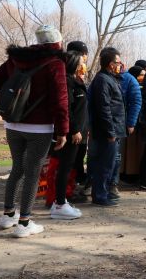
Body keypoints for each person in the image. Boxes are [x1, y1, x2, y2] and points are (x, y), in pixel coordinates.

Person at [0, 25, 69, 237]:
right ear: (58, 43)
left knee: (17, 169)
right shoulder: (56, 63)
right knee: (32, 172)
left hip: (12, 124)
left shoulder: (16, 59)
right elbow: (60, 101)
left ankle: (8, 215)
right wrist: (63, 131)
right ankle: (24, 223)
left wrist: (17, 97)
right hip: (39, 128)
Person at [50, 51, 87, 219]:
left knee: (67, 167)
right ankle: (59, 204)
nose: (83, 66)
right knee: (64, 168)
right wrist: (74, 130)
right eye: (80, 63)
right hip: (70, 133)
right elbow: (67, 110)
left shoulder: (75, 81)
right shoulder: (67, 82)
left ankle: (61, 200)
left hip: (76, 132)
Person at [87, 47, 126, 206]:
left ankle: (103, 193)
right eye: (118, 62)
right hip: (107, 131)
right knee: (103, 164)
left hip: (114, 128)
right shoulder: (103, 80)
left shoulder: (111, 78)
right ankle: (100, 196)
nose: (120, 65)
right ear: (110, 64)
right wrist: (110, 131)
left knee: (108, 164)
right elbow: (104, 108)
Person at [110, 62, 142, 197]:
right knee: (97, 155)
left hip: (119, 124)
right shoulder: (101, 78)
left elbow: (136, 101)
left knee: (115, 155)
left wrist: (130, 122)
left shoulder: (128, 79)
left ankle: (113, 184)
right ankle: (93, 182)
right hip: (101, 124)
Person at [66, 41, 90, 187]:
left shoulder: (79, 78)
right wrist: (75, 129)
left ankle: (77, 182)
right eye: (83, 56)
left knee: (79, 158)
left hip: (82, 129)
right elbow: (67, 107)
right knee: (70, 162)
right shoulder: (68, 80)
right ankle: (68, 191)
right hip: (73, 131)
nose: (85, 59)